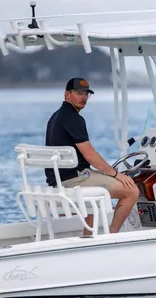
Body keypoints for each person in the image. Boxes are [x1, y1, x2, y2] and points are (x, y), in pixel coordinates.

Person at [45, 77, 139, 235]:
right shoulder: (74, 119)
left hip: (59, 179)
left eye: (86, 94)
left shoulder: (56, 117)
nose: (83, 97)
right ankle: (113, 235)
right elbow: (90, 156)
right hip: (74, 179)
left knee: (96, 183)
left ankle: (88, 237)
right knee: (131, 190)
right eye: (78, 93)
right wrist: (116, 174)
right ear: (66, 94)